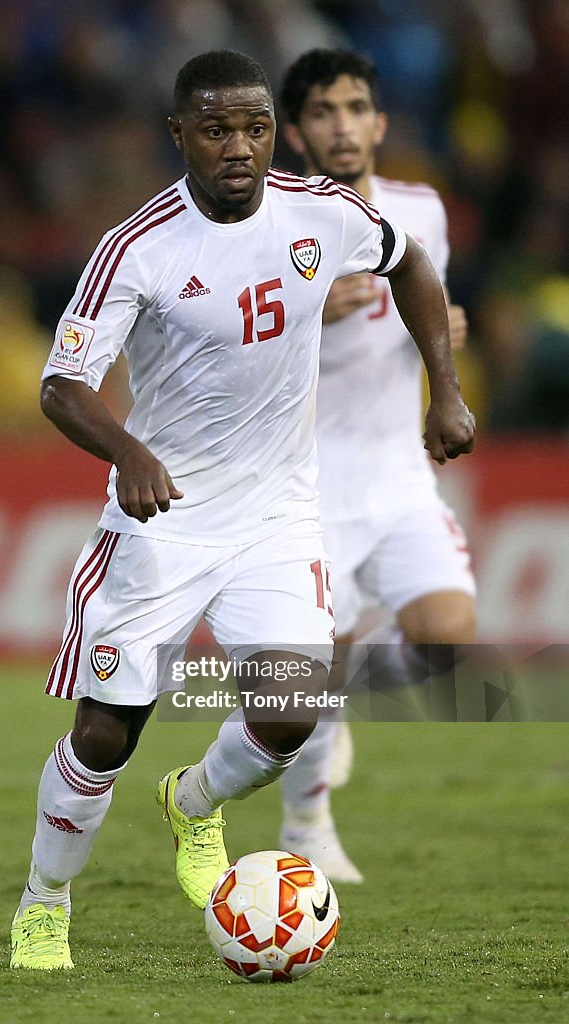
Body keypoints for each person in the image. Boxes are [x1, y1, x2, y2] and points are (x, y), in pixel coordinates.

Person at [9, 49, 475, 971]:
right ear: (178, 133)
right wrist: (130, 451)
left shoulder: (322, 212)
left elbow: (411, 261)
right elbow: (62, 385)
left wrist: (445, 390)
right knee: (104, 734)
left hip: (275, 515)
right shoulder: (137, 247)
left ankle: (190, 802)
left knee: (293, 707)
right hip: (162, 521)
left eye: (255, 127)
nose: (238, 146)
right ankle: (44, 901)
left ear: (274, 131)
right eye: (216, 128)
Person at [276, 49, 477, 883]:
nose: (342, 124)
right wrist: (305, 312)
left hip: (395, 471)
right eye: (322, 111)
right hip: (302, 485)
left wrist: (443, 344)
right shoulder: (270, 227)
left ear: (380, 123)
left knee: (446, 643)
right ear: (295, 132)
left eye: (355, 107)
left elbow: (427, 310)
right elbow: (223, 350)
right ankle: (305, 824)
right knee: (303, 675)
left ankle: (338, 700)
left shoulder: (419, 213)